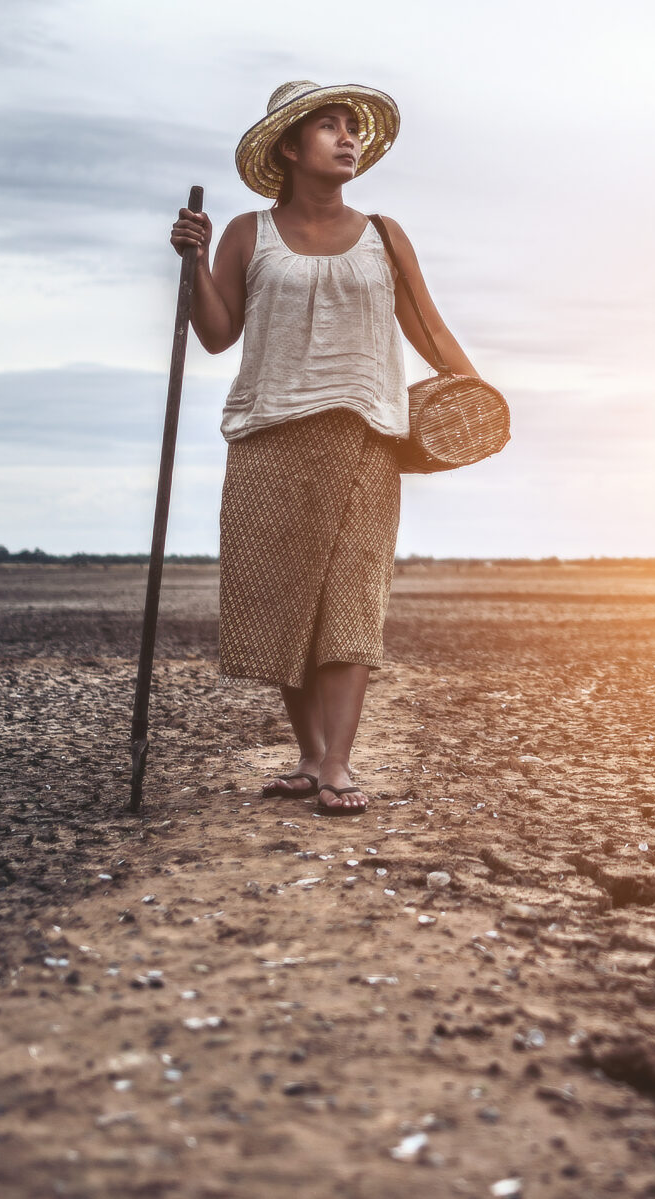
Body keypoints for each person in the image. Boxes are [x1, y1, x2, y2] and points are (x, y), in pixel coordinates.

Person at [168, 80, 478, 816]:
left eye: (352, 128)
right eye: (329, 127)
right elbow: (216, 334)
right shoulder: (248, 233)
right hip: (267, 436)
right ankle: (309, 757)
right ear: (287, 147)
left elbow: (429, 329)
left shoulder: (383, 236)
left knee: (349, 601)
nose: (348, 139)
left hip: (364, 435)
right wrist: (194, 261)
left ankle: (338, 763)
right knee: (286, 600)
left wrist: (477, 395)